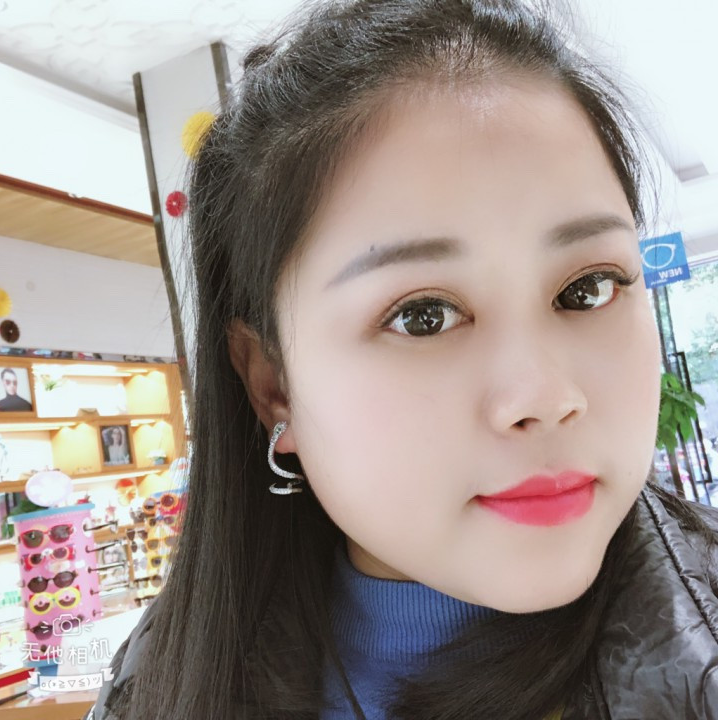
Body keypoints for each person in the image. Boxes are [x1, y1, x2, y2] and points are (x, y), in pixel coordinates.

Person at [83, 1, 718, 718]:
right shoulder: (153, 687)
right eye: (424, 317)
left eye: (588, 288)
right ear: (272, 383)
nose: (545, 395)